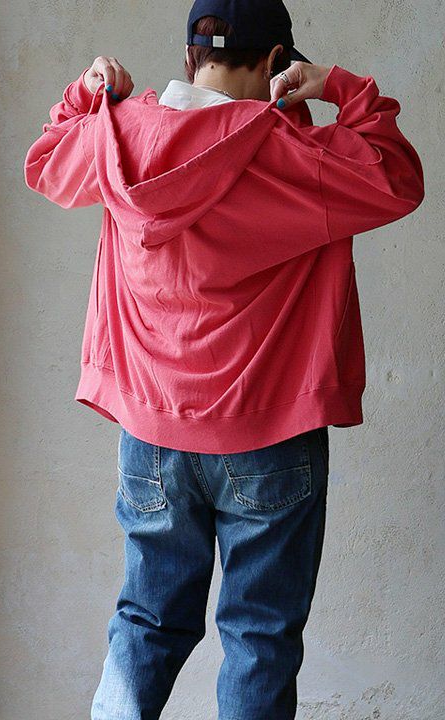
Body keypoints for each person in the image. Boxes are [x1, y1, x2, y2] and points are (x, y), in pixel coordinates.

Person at [23, 0, 425, 717]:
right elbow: (397, 175)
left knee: (146, 622)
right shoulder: (298, 156)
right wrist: (338, 85)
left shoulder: (121, 137)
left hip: (152, 433)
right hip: (271, 436)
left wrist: (89, 93)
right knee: (259, 639)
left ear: (189, 57)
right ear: (277, 64)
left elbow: (47, 163)